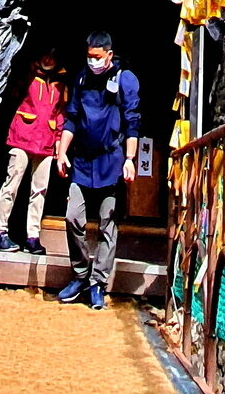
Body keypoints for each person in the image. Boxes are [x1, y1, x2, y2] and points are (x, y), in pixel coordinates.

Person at [55, 31, 139, 310]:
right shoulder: (81, 78)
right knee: (73, 217)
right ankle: (80, 274)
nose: (93, 62)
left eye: (97, 57)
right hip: (82, 162)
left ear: (109, 55)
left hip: (110, 162)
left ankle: (98, 283)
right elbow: (72, 118)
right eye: (89, 57)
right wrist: (62, 152)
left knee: (107, 224)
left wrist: (130, 158)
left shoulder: (124, 79)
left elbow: (132, 121)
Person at [0, 51, 65, 253]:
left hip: (47, 141)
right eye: (46, 53)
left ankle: (32, 237)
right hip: (22, 136)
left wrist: (59, 141)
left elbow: (60, 113)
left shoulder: (61, 83)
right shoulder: (27, 75)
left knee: (39, 191)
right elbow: (11, 96)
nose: (48, 58)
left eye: (53, 55)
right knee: (11, 185)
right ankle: (0, 233)